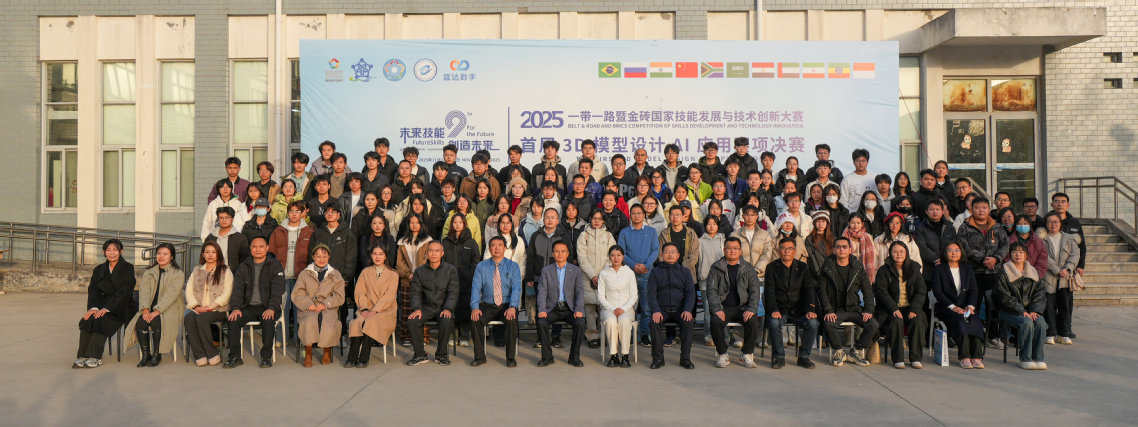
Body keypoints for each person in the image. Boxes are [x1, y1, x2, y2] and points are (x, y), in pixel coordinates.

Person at [73, 239, 136, 369]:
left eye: (115, 250)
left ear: (121, 251)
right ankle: (82, 356)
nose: (112, 253)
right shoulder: (99, 269)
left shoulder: (128, 268)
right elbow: (93, 290)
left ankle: (95, 356)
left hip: (121, 307)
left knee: (101, 320)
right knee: (88, 318)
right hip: (102, 305)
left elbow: (124, 292)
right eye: (108, 250)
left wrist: (107, 308)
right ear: (104, 252)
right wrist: (93, 308)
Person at [223, 236, 285, 369]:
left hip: (267, 306)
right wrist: (236, 307)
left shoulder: (275, 266)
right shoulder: (243, 266)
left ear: (267, 248)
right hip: (248, 307)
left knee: (268, 320)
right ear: (250, 249)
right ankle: (235, 356)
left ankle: (266, 357)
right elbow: (237, 289)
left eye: (261, 246)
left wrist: (272, 307)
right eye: (254, 246)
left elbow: (278, 290)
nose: (258, 249)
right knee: (233, 320)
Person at [956, 197, 1010, 349]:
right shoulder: (965, 227)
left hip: (995, 271)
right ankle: (974, 335)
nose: (981, 210)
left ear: (988, 209)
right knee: (973, 305)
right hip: (974, 272)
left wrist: (996, 258)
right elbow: (964, 247)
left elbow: (1005, 245)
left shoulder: (997, 227)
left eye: (984, 207)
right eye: (977, 207)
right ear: (971, 209)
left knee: (995, 305)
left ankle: (994, 337)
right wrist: (983, 259)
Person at [816, 237, 877, 367]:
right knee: (828, 323)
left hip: (854, 308)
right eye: (838, 247)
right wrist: (828, 310)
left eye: (844, 247)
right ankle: (839, 351)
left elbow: (867, 290)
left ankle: (857, 351)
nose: (841, 249)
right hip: (835, 309)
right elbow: (822, 291)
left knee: (873, 324)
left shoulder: (857, 267)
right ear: (834, 250)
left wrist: (868, 310)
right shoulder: (827, 267)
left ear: (850, 249)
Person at [705, 237, 763, 368]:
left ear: (740, 251)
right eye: (729, 248)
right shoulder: (716, 267)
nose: (732, 251)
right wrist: (717, 309)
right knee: (715, 321)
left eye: (735, 248)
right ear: (724, 250)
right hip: (724, 307)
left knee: (753, 322)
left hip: (743, 307)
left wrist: (751, 309)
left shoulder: (748, 268)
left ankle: (746, 354)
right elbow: (711, 290)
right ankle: (722, 353)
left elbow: (755, 291)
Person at [124, 243, 184, 368]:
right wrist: (145, 309)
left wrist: (157, 311)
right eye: (159, 253)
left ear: (171, 256)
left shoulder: (178, 274)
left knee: (157, 322)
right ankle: (146, 355)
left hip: (169, 308)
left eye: (165, 254)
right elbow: (144, 292)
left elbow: (170, 296)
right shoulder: (149, 272)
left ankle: (157, 354)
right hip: (149, 308)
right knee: (141, 323)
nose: (161, 256)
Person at [764, 237, 820, 369]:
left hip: (798, 310)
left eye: (790, 248)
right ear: (778, 251)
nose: (786, 251)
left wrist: (810, 310)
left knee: (813, 323)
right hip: (779, 309)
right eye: (783, 248)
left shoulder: (803, 267)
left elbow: (809, 290)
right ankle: (779, 357)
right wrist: (773, 309)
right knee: (774, 323)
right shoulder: (771, 267)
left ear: (795, 251)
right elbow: (769, 292)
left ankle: (804, 357)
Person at [930, 241, 986, 369]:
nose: (954, 253)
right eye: (950, 250)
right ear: (945, 253)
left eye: (957, 250)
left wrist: (971, 306)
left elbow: (974, 290)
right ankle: (964, 357)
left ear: (961, 253)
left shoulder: (967, 269)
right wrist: (952, 307)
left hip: (965, 307)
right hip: (946, 308)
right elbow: (937, 291)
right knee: (960, 320)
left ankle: (976, 357)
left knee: (975, 319)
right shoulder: (939, 269)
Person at [469, 236, 523, 367]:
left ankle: (510, 357)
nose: (497, 248)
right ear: (489, 248)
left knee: (511, 319)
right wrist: (475, 307)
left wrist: (513, 306)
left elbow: (517, 288)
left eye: (500, 245)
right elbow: (476, 287)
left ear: (505, 248)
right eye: (493, 245)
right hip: (488, 305)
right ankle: (479, 357)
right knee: (475, 319)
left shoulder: (513, 266)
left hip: (506, 305)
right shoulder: (481, 266)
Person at [344, 244, 399, 368]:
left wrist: (375, 310)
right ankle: (352, 357)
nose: (377, 257)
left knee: (370, 321)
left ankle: (364, 357)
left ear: (385, 256)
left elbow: (389, 296)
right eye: (374, 254)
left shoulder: (393, 274)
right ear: (371, 255)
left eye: (381, 254)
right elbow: (360, 292)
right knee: (357, 322)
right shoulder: (365, 272)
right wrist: (364, 308)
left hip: (385, 310)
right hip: (366, 308)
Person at [995, 242, 1048, 370]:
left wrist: (1035, 310)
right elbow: (1004, 297)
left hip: (1029, 311)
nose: (1017, 254)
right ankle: (1025, 359)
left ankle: (1038, 358)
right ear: (1010, 255)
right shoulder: (1004, 272)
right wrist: (1021, 311)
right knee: (1026, 323)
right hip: (1008, 311)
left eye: (1021, 252)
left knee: (1040, 322)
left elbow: (1040, 294)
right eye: (1014, 252)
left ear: (1026, 255)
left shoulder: (1033, 272)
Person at [875, 241, 928, 369]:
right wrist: (893, 308)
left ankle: (915, 358)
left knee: (916, 321)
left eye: (901, 251)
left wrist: (915, 309)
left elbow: (921, 291)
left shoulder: (914, 269)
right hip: (890, 309)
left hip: (910, 307)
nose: (898, 254)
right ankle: (898, 359)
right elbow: (881, 292)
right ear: (890, 253)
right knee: (896, 322)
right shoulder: (884, 270)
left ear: (906, 253)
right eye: (895, 251)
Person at [293, 244, 346, 367]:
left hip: (329, 307)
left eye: (324, 256)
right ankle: (308, 353)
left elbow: (339, 295)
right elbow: (297, 293)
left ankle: (327, 350)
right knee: (309, 320)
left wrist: (325, 304)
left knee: (328, 320)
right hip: (309, 308)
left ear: (329, 257)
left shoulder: (335, 274)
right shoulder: (305, 273)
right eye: (318, 256)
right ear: (313, 257)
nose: (321, 259)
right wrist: (308, 304)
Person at [535, 241, 587, 367]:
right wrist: (542, 309)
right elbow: (542, 292)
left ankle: (574, 357)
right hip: (552, 308)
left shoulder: (576, 270)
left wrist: (579, 309)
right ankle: (547, 356)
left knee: (580, 323)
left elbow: (579, 292)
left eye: (563, 251)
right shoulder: (546, 270)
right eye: (557, 251)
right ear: (553, 253)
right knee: (541, 322)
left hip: (569, 308)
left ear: (567, 253)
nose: (560, 253)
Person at [646, 243, 697, 369]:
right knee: (654, 322)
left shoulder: (685, 272)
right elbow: (651, 293)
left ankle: (685, 359)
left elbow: (691, 293)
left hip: (680, 310)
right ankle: (658, 359)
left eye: (673, 252)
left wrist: (687, 310)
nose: (670, 254)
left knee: (688, 322)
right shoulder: (655, 272)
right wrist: (655, 310)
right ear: (662, 255)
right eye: (667, 252)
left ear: (678, 255)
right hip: (661, 310)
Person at [183, 241, 233, 367]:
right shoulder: (197, 271)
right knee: (189, 318)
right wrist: (196, 306)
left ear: (218, 254)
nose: (210, 255)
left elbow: (227, 294)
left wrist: (210, 307)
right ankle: (200, 355)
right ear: (203, 254)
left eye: (213, 252)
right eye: (207, 252)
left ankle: (212, 353)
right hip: (199, 309)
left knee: (201, 318)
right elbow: (188, 291)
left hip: (218, 310)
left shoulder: (226, 271)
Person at [268, 200, 312, 340]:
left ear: (302, 213)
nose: (294, 214)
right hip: (283, 275)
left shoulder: (309, 232)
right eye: (291, 211)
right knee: (282, 308)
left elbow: (312, 255)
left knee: (300, 308)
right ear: (287, 213)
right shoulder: (278, 231)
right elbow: (271, 254)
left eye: (297, 211)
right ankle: (282, 338)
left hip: (301, 276)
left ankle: (300, 339)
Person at [618, 204, 661, 346]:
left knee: (646, 306)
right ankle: (629, 335)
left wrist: (645, 266)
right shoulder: (624, 232)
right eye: (633, 213)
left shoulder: (651, 231)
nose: (636, 216)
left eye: (639, 213)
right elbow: (621, 252)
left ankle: (644, 334)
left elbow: (655, 250)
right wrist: (634, 266)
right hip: (628, 274)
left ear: (644, 215)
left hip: (647, 273)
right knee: (630, 305)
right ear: (630, 215)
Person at [1039, 212, 1080, 345]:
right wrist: (1057, 270)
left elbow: (1075, 254)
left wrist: (1067, 268)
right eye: (1050, 221)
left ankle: (1064, 333)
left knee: (1064, 306)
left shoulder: (1069, 238)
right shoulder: (1041, 238)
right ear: (1046, 224)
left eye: (1056, 221)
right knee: (1048, 307)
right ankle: (1050, 333)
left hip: (1065, 278)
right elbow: (1043, 256)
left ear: (1060, 223)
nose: (1053, 224)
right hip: (1048, 276)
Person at [577, 209, 616, 349]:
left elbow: (611, 256)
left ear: (603, 220)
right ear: (590, 219)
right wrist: (593, 275)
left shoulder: (608, 236)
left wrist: (602, 275)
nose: (597, 221)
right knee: (589, 309)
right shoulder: (584, 235)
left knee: (603, 308)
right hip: (588, 277)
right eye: (594, 218)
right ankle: (592, 336)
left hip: (604, 278)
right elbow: (582, 258)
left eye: (599, 218)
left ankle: (604, 334)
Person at [441, 214, 482, 348]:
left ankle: (464, 336)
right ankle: (451, 336)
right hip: (449, 280)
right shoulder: (446, 242)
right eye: (455, 222)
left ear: (464, 224)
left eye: (460, 222)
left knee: (465, 308)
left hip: (466, 280)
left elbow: (476, 260)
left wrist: (469, 274)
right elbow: (441, 261)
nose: (457, 224)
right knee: (450, 306)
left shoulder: (471, 242)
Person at [596, 245, 638, 368]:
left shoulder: (629, 273)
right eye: (613, 255)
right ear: (609, 257)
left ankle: (625, 355)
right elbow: (600, 296)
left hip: (626, 309)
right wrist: (612, 309)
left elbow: (634, 295)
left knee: (624, 321)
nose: (616, 258)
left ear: (623, 257)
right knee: (610, 321)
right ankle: (613, 355)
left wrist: (623, 309)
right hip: (608, 309)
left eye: (618, 255)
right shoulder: (604, 273)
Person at [395, 214, 432, 347]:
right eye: (412, 222)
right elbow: (399, 263)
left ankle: (423, 337)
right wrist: (408, 274)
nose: (414, 225)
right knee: (406, 310)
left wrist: (417, 275)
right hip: (407, 281)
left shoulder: (428, 241)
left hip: (423, 281)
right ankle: (406, 336)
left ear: (421, 224)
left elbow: (428, 259)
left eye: (417, 222)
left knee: (422, 310)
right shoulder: (402, 242)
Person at [697, 216, 728, 347]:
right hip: (705, 280)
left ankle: (724, 336)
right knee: (708, 310)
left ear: (718, 225)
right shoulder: (700, 241)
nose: (711, 226)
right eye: (708, 223)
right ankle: (709, 335)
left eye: (714, 223)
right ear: (705, 226)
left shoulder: (724, 240)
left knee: (723, 309)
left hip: (722, 280)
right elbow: (698, 260)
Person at [913, 199, 957, 282]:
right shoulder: (920, 228)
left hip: (948, 265)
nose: (935, 212)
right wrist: (936, 259)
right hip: (928, 268)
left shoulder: (950, 227)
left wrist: (945, 259)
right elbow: (922, 247)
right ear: (926, 211)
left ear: (943, 211)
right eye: (931, 209)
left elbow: (954, 245)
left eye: (937, 209)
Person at [1048, 193, 1087, 281]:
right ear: (1052, 204)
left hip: (1069, 267)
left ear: (1068, 205)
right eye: (1056, 201)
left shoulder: (1074, 223)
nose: (1060, 204)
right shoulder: (1046, 221)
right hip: (1050, 267)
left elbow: (1081, 246)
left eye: (1063, 202)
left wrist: (1081, 265)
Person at [1007, 213, 1047, 280]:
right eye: (1019, 224)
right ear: (1015, 225)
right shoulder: (1009, 241)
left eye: (1025, 223)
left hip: (1033, 278)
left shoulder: (1038, 242)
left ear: (1030, 225)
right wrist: (1015, 276)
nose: (1022, 226)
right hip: (1013, 278)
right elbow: (1006, 259)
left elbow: (1042, 261)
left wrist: (1035, 277)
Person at [842, 213, 877, 283]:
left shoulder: (868, 237)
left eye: (858, 223)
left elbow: (874, 256)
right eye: (853, 223)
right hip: (848, 272)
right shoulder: (844, 237)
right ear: (848, 223)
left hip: (863, 272)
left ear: (862, 224)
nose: (855, 226)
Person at [804, 211, 835, 276]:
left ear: (827, 223)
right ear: (814, 223)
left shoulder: (833, 238)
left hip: (831, 272)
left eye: (823, 221)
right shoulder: (809, 239)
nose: (821, 224)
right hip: (816, 274)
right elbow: (811, 258)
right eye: (818, 221)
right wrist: (818, 272)